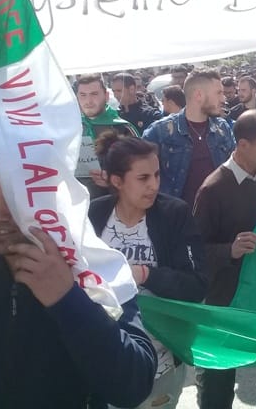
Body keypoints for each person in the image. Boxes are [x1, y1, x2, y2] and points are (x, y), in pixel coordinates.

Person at [0, 136, 156, 409]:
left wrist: (67, 299)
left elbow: (133, 386)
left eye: (13, 199)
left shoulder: (92, 266)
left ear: (49, 202)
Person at [89, 133, 207, 409]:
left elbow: (196, 285)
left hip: (159, 365)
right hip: (104, 361)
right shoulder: (93, 215)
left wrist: (145, 275)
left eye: (156, 175)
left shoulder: (174, 214)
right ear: (117, 181)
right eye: (143, 178)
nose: (154, 185)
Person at [193, 110, 256, 409]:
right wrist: (229, 251)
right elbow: (193, 253)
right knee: (219, 376)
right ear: (243, 145)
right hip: (226, 298)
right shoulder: (212, 189)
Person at [143, 69, 235, 209]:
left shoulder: (222, 129)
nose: (223, 99)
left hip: (217, 215)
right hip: (175, 217)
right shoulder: (160, 131)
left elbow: (234, 170)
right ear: (198, 95)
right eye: (218, 93)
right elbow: (141, 175)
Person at [77, 74, 138, 199]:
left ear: (106, 96)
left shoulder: (123, 128)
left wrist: (113, 181)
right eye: (83, 95)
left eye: (94, 94)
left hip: (114, 202)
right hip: (78, 204)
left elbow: (141, 171)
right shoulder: (70, 129)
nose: (88, 101)